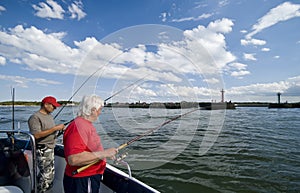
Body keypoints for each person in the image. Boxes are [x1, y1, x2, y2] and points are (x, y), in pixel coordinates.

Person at [63, 95, 118, 193]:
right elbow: (74, 159)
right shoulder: (79, 126)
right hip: (82, 179)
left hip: (88, 177)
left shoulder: (84, 124)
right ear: (93, 110)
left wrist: (105, 155)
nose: (100, 113)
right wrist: (104, 154)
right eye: (99, 109)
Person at [28, 96, 65, 193]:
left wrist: (57, 131)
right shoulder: (35, 117)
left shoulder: (49, 116)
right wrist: (55, 129)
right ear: (46, 104)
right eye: (53, 106)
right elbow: (36, 135)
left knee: (48, 175)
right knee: (47, 177)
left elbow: (49, 132)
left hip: (50, 148)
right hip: (42, 149)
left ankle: (38, 190)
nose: (55, 108)